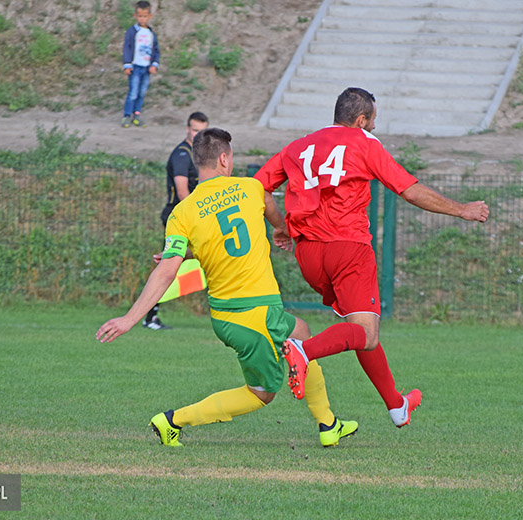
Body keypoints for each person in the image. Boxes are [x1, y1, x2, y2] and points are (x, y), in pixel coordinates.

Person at [96, 128, 358, 448]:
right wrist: (281, 231)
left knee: (302, 334)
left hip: (229, 315)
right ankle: (171, 420)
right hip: (254, 312)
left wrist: (137, 309)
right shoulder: (250, 189)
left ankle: (328, 423)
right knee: (262, 394)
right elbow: (276, 218)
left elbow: (169, 268)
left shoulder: (182, 213)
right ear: (224, 158)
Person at [255, 87, 490, 428]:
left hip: (308, 254)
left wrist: (281, 226)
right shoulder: (364, 143)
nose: (374, 128)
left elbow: (259, 187)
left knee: (364, 328)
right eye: (373, 121)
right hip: (348, 249)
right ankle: (302, 350)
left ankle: (397, 405)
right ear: (361, 119)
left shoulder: (299, 145)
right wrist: (462, 210)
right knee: (363, 331)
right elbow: (409, 189)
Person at [141, 112, 210, 330]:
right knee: (168, 267)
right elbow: (182, 193)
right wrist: (203, 217)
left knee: (198, 262)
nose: (198, 134)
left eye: (202, 130)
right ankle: (148, 315)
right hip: (178, 219)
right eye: (194, 129)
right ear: (187, 129)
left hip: (190, 218)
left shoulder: (200, 155)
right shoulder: (182, 154)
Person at [121, 1, 160, 128]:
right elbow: (127, 47)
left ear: (150, 16)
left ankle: (136, 115)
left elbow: (155, 50)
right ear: (135, 16)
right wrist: (127, 64)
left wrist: (154, 64)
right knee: (133, 92)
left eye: (145, 16)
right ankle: (127, 116)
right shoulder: (132, 31)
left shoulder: (151, 33)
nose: (142, 19)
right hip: (135, 67)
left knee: (142, 92)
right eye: (140, 16)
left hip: (146, 68)